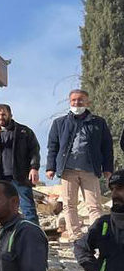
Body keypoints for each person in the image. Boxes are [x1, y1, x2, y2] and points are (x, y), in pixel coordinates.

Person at [46, 88, 113, 241]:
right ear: (70, 102)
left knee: (94, 205)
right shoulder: (59, 123)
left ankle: (96, 237)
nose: (77, 103)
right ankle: (75, 236)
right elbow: (53, 146)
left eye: (80, 100)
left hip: (90, 170)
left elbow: (106, 147)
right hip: (68, 170)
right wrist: (51, 167)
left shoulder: (98, 123)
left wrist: (108, 169)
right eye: (74, 100)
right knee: (69, 205)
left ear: (87, 101)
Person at [0, 104, 41, 225]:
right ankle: (8, 233)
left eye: (3, 114)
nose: (1, 117)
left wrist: (34, 168)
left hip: (20, 176)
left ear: (10, 115)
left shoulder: (24, 132)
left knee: (28, 208)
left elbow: (34, 151)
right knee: (3, 208)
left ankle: (33, 235)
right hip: (0, 178)